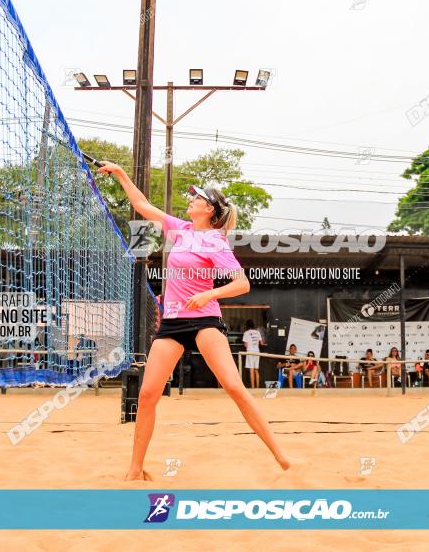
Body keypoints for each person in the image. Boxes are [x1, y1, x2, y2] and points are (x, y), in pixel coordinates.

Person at [97, 163, 289, 479]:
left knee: (234, 387)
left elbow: (242, 284)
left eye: (197, 197)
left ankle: (282, 457)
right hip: (172, 323)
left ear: (210, 210)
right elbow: (141, 206)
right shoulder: (180, 229)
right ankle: (135, 469)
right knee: (147, 395)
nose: (190, 200)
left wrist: (208, 295)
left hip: (204, 321)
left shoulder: (215, 241)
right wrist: (120, 173)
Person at [242, 320, 262, 388]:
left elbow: (246, 345)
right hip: (257, 351)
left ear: (247, 325)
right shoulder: (258, 332)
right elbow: (261, 343)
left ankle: (253, 388)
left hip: (250, 352)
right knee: (256, 370)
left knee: (251, 370)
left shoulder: (246, 333)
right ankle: (258, 387)